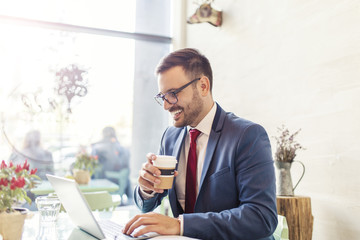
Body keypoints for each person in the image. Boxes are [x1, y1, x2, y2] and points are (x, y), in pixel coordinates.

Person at [123, 48, 278, 240]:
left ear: (203, 86)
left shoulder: (247, 135)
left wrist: (180, 225)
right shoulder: (170, 136)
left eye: (172, 93)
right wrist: (148, 189)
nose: (166, 105)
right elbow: (146, 205)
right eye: (162, 96)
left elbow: (261, 218)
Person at [91, 126, 131, 200]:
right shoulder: (121, 147)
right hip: (118, 179)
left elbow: (93, 166)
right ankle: (130, 197)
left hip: (104, 179)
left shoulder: (97, 147)